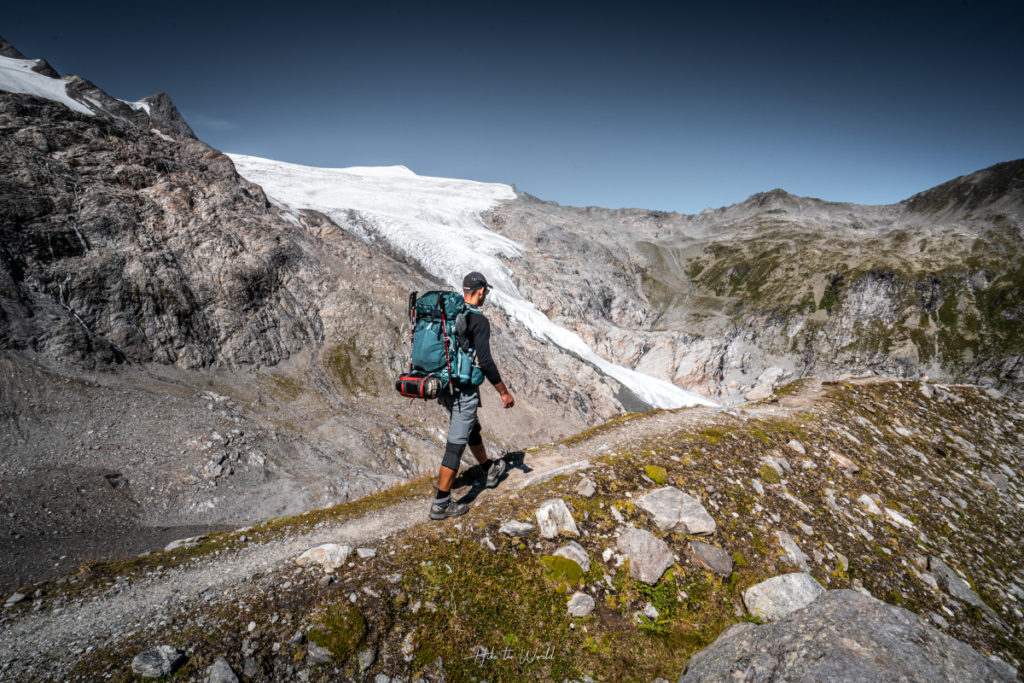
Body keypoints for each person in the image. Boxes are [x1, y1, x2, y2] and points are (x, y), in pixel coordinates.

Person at [429, 271, 516, 520]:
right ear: (480, 291)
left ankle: (488, 469)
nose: (485, 295)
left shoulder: (451, 313)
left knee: (470, 427)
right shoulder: (478, 320)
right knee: (456, 443)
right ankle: (441, 504)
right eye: (485, 292)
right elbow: (486, 362)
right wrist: (504, 392)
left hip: (444, 386)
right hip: (463, 389)